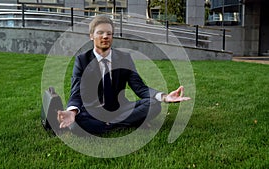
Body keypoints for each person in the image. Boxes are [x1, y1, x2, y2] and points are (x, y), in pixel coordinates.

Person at [57, 15, 190, 135]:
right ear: (91, 35)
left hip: (119, 108)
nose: (105, 36)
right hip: (93, 111)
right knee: (76, 125)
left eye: (109, 33)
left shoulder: (124, 58)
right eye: (100, 33)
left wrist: (165, 97)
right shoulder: (82, 60)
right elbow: (76, 92)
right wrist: (72, 112)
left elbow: (140, 87)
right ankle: (130, 122)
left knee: (154, 104)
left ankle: (109, 126)